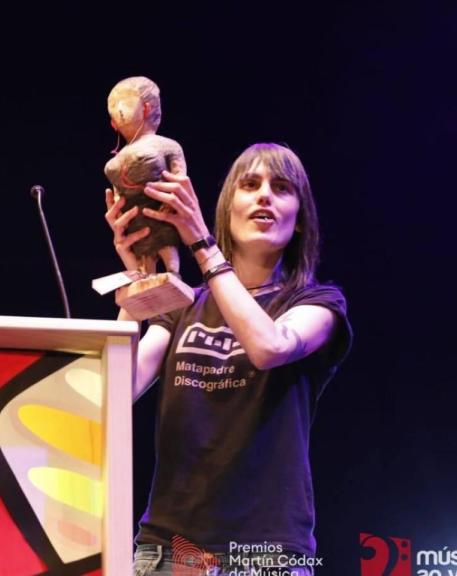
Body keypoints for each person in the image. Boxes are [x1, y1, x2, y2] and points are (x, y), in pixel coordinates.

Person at [104, 143, 352, 575]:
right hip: (170, 551)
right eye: (250, 184)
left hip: (266, 555)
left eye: (281, 188)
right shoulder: (185, 304)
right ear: (226, 208)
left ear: (299, 221)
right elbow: (117, 391)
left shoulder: (318, 303)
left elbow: (269, 347)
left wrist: (201, 245)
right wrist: (137, 280)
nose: (264, 197)